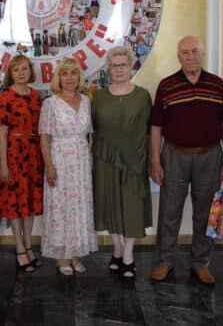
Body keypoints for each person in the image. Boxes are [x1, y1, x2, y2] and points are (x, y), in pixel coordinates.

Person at [149, 35, 223, 286]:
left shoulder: (217, 85)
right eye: (185, 52)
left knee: (205, 214)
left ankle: (201, 263)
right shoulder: (166, 86)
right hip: (174, 156)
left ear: (202, 54)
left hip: (210, 156)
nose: (190, 57)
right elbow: (156, 127)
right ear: (178, 56)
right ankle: (165, 261)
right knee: (169, 212)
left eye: (194, 51)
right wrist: (155, 161)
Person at [92, 46, 152, 279]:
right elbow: (91, 130)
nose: (118, 69)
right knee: (110, 207)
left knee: (131, 208)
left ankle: (128, 255)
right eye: (114, 65)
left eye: (123, 65)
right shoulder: (98, 97)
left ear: (131, 67)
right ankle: (117, 249)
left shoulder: (143, 96)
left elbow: (150, 130)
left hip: (134, 161)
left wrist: (150, 159)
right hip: (105, 160)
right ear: (109, 68)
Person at [39, 58, 97, 275]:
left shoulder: (86, 101)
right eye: (65, 73)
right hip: (59, 159)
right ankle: (61, 256)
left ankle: (75, 253)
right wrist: (49, 165)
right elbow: (44, 137)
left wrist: (89, 157)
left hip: (81, 162)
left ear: (79, 76)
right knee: (60, 207)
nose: (70, 77)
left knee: (79, 207)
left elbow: (90, 133)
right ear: (59, 77)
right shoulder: (50, 103)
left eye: (73, 73)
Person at [0, 54, 44, 272]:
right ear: (10, 73)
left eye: (25, 68)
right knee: (16, 203)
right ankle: (19, 248)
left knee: (30, 204)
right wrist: (4, 164)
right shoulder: (5, 97)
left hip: (34, 154)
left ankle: (28, 245)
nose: (21, 73)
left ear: (30, 71)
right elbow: (1, 134)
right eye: (16, 69)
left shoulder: (36, 96)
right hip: (14, 154)